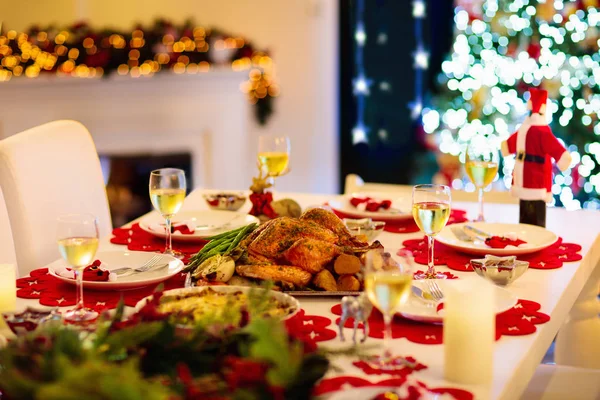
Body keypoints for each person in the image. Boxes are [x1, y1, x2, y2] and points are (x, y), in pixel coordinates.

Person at [501, 87, 571, 226]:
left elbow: (508, 146)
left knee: (526, 211)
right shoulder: (542, 131)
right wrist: (564, 159)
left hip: (523, 178)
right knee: (536, 213)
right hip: (537, 179)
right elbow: (558, 151)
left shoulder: (523, 129)